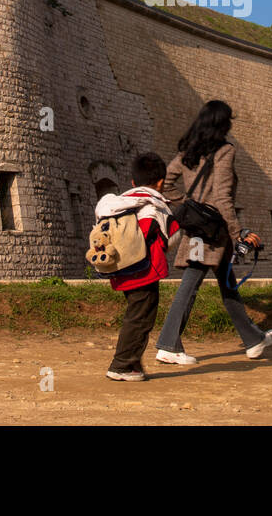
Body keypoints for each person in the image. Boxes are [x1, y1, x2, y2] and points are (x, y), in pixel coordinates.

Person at [155, 100, 272, 365]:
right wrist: (238, 232)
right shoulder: (224, 151)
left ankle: (253, 340)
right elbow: (222, 197)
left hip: (200, 228)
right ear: (222, 123)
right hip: (212, 229)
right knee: (190, 284)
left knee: (227, 284)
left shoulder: (187, 151)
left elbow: (164, 182)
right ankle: (167, 344)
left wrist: (187, 203)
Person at [101, 152, 181, 382]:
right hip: (144, 271)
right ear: (160, 182)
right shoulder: (154, 204)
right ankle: (122, 365)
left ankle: (133, 363)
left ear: (133, 182)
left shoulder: (118, 202)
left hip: (121, 269)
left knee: (137, 314)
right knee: (140, 318)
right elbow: (168, 236)